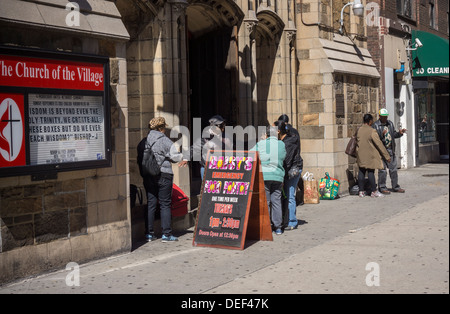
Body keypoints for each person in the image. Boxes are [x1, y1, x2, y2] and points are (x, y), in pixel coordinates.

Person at [140, 117, 183, 242]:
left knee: (151, 203)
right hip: (164, 174)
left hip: (148, 175)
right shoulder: (165, 141)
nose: (164, 130)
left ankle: (149, 233)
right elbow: (175, 157)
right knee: (165, 204)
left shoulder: (144, 141)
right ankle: (166, 234)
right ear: (161, 128)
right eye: (164, 127)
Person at [250, 126, 286, 235]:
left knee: (266, 201)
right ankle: (278, 227)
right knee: (276, 201)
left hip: (264, 176)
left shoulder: (261, 144)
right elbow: (283, 156)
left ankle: (266, 227)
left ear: (266, 134)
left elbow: (250, 154)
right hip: (278, 176)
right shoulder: (281, 144)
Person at [179, 115, 232, 180]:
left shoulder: (226, 136)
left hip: (222, 168)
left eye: (223, 125)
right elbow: (194, 148)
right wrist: (185, 158)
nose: (223, 128)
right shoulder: (205, 138)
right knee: (208, 189)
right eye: (221, 126)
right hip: (207, 168)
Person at [274, 120, 303, 230]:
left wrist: (281, 174)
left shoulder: (288, 143)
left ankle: (292, 221)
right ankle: (286, 219)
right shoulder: (283, 141)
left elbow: (287, 161)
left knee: (290, 195)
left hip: (292, 170)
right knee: (286, 194)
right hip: (289, 170)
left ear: (278, 131)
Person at [372, 108, 407, 194]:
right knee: (382, 170)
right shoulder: (375, 126)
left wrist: (399, 133)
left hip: (390, 149)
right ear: (379, 116)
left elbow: (393, 134)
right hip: (381, 151)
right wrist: (382, 135)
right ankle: (382, 187)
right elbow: (375, 139)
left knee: (393, 169)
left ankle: (395, 186)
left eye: (386, 117)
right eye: (383, 117)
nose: (385, 118)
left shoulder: (390, 124)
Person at [357, 113, 391, 198]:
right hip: (370, 155)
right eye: (372, 120)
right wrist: (387, 156)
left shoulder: (359, 130)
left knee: (361, 171)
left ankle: (361, 191)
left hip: (360, 154)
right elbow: (379, 144)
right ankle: (374, 191)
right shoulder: (372, 131)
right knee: (371, 172)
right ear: (369, 121)